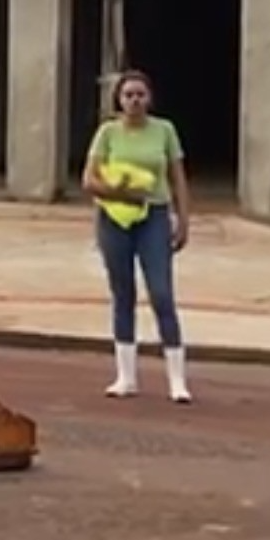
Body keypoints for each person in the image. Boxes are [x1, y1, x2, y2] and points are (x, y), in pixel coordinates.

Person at [81, 68, 193, 404]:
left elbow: (178, 177)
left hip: (154, 216)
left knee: (161, 292)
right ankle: (126, 376)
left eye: (140, 95)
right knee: (122, 292)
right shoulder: (107, 133)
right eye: (128, 95)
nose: (134, 101)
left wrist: (183, 218)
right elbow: (89, 179)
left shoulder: (164, 130)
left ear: (150, 98)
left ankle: (177, 379)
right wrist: (118, 192)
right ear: (119, 99)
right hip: (114, 217)